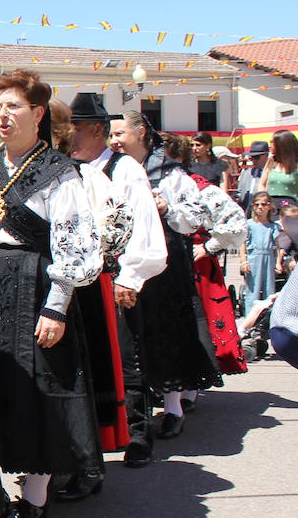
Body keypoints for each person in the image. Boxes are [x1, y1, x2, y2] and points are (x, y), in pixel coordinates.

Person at [0, 69, 103, 518]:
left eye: (13, 106)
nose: (3, 115)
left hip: (32, 287)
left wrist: (56, 305)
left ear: (37, 114)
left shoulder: (59, 173)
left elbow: (75, 243)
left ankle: (33, 498)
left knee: (33, 391)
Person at [64, 92, 167, 473]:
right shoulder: (71, 169)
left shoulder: (123, 169)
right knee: (91, 359)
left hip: (114, 276)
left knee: (126, 358)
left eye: (75, 128)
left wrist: (131, 277)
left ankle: (138, 433)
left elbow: (143, 223)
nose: (70, 136)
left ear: (96, 130)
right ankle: (99, 432)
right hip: (83, 279)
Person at [109, 111, 222, 439]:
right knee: (131, 339)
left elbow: (198, 216)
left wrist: (167, 208)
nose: (114, 140)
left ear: (141, 132)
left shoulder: (169, 173)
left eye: (120, 133)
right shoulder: (111, 171)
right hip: (125, 264)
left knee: (165, 332)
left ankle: (173, 408)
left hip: (166, 268)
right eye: (111, 135)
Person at [166, 134, 249, 376]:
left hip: (196, 266)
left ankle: (191, 385)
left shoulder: (197, 185)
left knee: (197, 323)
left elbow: (236, 221)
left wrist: (208, 247)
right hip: (167, 264)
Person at [242, 193, 283, 307]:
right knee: (253, 289)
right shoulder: (249, 224)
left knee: (269, 288)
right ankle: (250, 317)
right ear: (253, 206)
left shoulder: (273, 226)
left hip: (269, 257)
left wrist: (278, 262)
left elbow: (278, 246)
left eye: (264, 204)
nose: (260, 207)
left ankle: (268, 316)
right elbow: (243, 243)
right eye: (257, 204)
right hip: (254, 257)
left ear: (269, 206)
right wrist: (243, 261)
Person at [258, 129, 298, 206]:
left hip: (295, 212)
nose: (270, 146)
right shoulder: (272, 161)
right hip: (273, 212)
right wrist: (262, 200)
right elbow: (262, 184)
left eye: (272, 142)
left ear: (282, 144)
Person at [236, 141, 270, 212]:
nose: (254, 161)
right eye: (252, 158)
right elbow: (240, 192)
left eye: (256, 157)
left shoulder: (272, 174)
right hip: (247, 213)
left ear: (266, 155)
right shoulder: (246, 172)